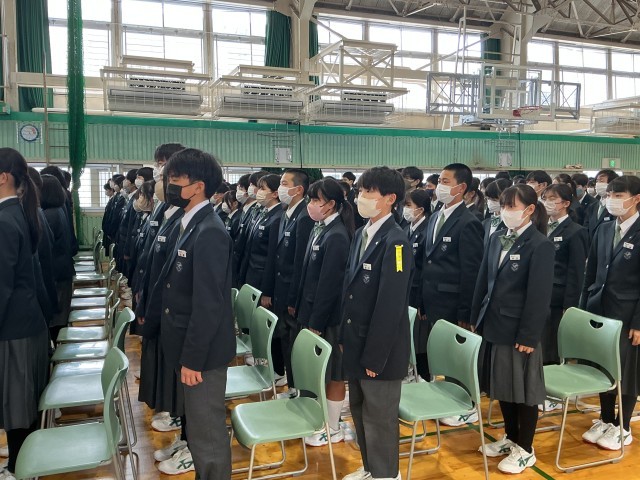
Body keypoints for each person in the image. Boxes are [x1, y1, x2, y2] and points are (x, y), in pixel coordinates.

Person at [157, 148, 235, 478]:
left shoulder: (210, 230)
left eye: (176, 179)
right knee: (199, 426)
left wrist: (193, 358)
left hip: (203, 353)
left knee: (207, 433)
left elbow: (208, 304)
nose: (169, 185)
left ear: (198, 186)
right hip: (187, 343)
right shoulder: (190, 223)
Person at [472, 184, 554, 474]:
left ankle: (526, 448)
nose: (505, 211)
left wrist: (529, 335)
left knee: (524, 391)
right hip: (493, 323)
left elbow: (539, 295)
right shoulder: (497, 238)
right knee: (502, 386)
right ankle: (511, 436)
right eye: (504, 205)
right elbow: (483, 280)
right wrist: (475, 317)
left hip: (519, 330)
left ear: (529, 210)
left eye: (511, 206)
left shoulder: (540, 245)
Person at [340, 166, 412, 480]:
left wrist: (376, 356)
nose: (361, 197)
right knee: (359, 409)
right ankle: (371, 469)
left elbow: (390, 304)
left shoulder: (396, 242)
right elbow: (350, 288)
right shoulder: (362, 233)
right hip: (356, 338)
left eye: (369, 192)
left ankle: (386, 475)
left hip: (380, 350)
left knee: (379, 418)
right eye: (360, 191)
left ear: (390, 199)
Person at [579, 175, 640, 451]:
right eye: (609, 195)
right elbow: (591, 273)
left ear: (636, 199)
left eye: (618, 195)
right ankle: (605, 419)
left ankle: (623, 425)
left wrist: (638, 322)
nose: (611, 200)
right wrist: (584, 310)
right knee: (602, 367)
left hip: (628, 314)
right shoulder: (604, 229)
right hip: (599, 309)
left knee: (626, 372)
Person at [0, 148, 49, 479]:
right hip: (25, 322)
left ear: (3, 177)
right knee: (21, 402)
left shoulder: (6, 219)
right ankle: (21, 464)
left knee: (17, 404)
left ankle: (19, 468)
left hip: (14, 327)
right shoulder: (17, 212)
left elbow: (2, 285)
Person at [295, 177, 353, 446]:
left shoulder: (338, 235)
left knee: (334, 373)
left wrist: (316, 322)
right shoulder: (321, 229)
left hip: (328, 318)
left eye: (315, 200)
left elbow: (330, 285)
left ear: (330, 204)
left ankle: (333, 427)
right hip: (311, 311)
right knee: (320, 371)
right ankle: (321, 420)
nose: (311, 204)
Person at [421, 164, 484, 407]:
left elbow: (471, 272)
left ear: (461, 187)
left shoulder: (468, 222)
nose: (440, 186)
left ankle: (465, 403)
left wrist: (465, 312)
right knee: (442, 354)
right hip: (432, 298)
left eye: (446, 182)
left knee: (457, 357)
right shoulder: (436, 216)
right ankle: (447, 398)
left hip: (453, 301)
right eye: (439, 181)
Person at [265, 169, 314, 397]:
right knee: (285, 338)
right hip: (281, 288)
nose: (280, 187)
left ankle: (297, 388)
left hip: (291, 293)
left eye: (285, 183)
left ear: (298, 189)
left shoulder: (304, 217)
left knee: (292, 341)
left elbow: (299, 263)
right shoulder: (287, 213)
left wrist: (294, 298)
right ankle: (292, 385)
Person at [539, 184, 587, 374]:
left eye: (552, 199)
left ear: (566, 203)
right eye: (545, 198)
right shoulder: (540, 226)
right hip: (540, 294)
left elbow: (576, 272)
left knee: (552, 344)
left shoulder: (575, 231)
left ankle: (552, 380)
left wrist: (570, 305)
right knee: (540, 341)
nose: (547, 203)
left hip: (558, 298)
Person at [40, 174, 76, 342]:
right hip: (63, 269)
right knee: (61, 316)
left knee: (57, 318)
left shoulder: (49, 215)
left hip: (57, 272)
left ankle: (58, 347)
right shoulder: (58, 210)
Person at [403, 189, 430, 380]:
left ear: (420, 209)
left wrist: (422, 301)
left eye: (408, 206)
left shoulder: (427, 231)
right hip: (406, 291)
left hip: (418, 294)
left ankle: (423, 376)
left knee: (420, 341)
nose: (405, 210)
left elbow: (425, 269)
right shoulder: (406, 229)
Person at [583, 169, 619, 242]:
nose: (598, 184)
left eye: (601, 181)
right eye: (597, 181)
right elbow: (586, 227)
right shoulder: (592, 206)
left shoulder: (616, 207)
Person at [482, 179, 511, 247]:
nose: (490, 202)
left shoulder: (510, 224)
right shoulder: (485, 223)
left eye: (494, 200)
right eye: (488, 199)